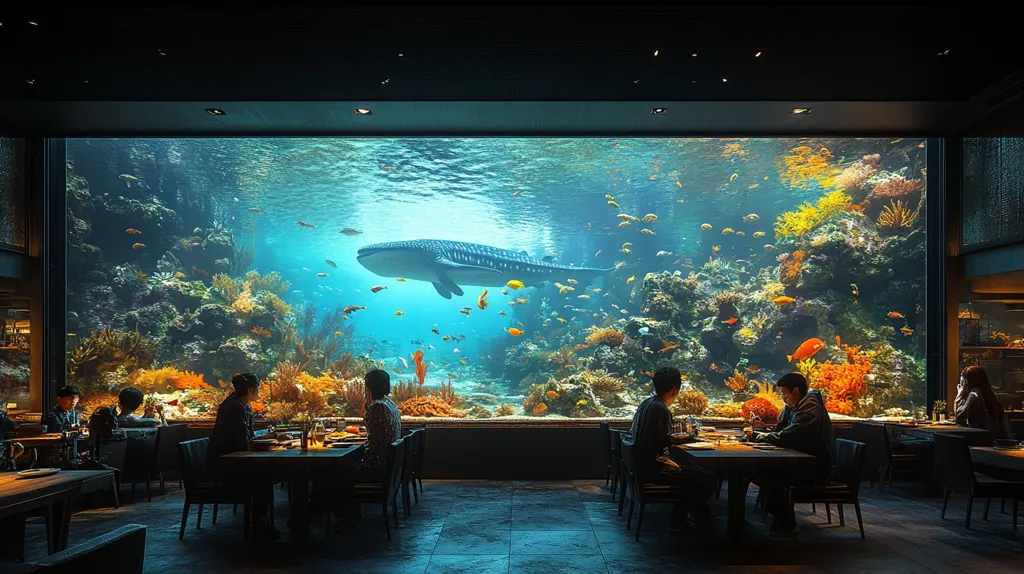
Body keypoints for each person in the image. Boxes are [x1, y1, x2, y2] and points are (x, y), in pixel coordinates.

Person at [629, 367, 718, 532]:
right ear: (674, 390)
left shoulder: (647, 403)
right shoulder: (661, 409)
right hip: (655, 468)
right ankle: (680, 519)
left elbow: (658, 437)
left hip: (642, 464)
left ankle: (697, 515)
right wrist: (685, 437)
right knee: (708, 479)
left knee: (697, 472)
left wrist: (682, 437)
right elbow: (663, 442)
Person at [753, 372, 834, 535]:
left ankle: (786, 522)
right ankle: (776, 516)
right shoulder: (795, 405)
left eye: (784, 394)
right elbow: (780, 429)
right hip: (799, 461)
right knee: (757, 471)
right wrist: (763, 431)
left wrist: (764, 436)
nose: (783, 398)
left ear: (796, 391)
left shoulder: (810, 408)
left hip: (814, 467)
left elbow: (790, 435)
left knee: (771, 475)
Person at [207, 372, 279, 540]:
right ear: (250, 389)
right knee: (264, 478)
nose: (260, 392)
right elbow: (243, 444)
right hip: (225, 465)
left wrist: (271, 436)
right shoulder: (235, 407)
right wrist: (267, 442)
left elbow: (248, 436)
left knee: (266, 476)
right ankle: (259, 521)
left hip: (230, 459)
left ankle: (261, 519)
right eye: (258, 389)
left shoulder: (241, 404)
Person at [334, 369, 402, 527]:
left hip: (376, 469)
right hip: (387, 467)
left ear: (368, 387)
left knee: (332, 473)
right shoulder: (389, 403)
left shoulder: (377, 407)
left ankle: (341, 515)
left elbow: (374, 446)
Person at [955, 365, 1011, 441]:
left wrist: (959, 394)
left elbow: (959, 417)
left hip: (981, 439)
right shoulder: (987, 393)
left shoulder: (974, 394)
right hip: (994, 438)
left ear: (966, 381)